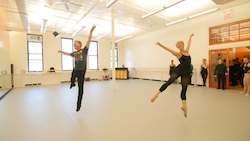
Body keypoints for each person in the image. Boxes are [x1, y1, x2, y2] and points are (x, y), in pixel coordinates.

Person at [151, 33, 194, 118]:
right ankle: (156, 95)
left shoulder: (187, 51)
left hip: (186, 72)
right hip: (179, 70)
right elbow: (169, 50)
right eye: (178, 45)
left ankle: (184, 107)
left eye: (180, 44)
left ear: (183, 44)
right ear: (177, 47)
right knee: (169, 81)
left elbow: (189, 43)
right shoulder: (178, 54)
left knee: (184, 88)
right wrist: (161, 45)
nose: (179, 45)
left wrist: (190, 37)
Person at [58, 25, 96, 112]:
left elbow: (89, 40)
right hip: (76, 70)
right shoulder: (75, 53)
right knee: (72, 75)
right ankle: (72, 83)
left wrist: (91, 31)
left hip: (82, 71)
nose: (74, 44)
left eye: (75, 43)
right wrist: (61, 51)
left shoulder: (84, 50)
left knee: (81, 89)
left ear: (79, 44)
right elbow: (68, 54)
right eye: (74, 43)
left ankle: (78, 105)